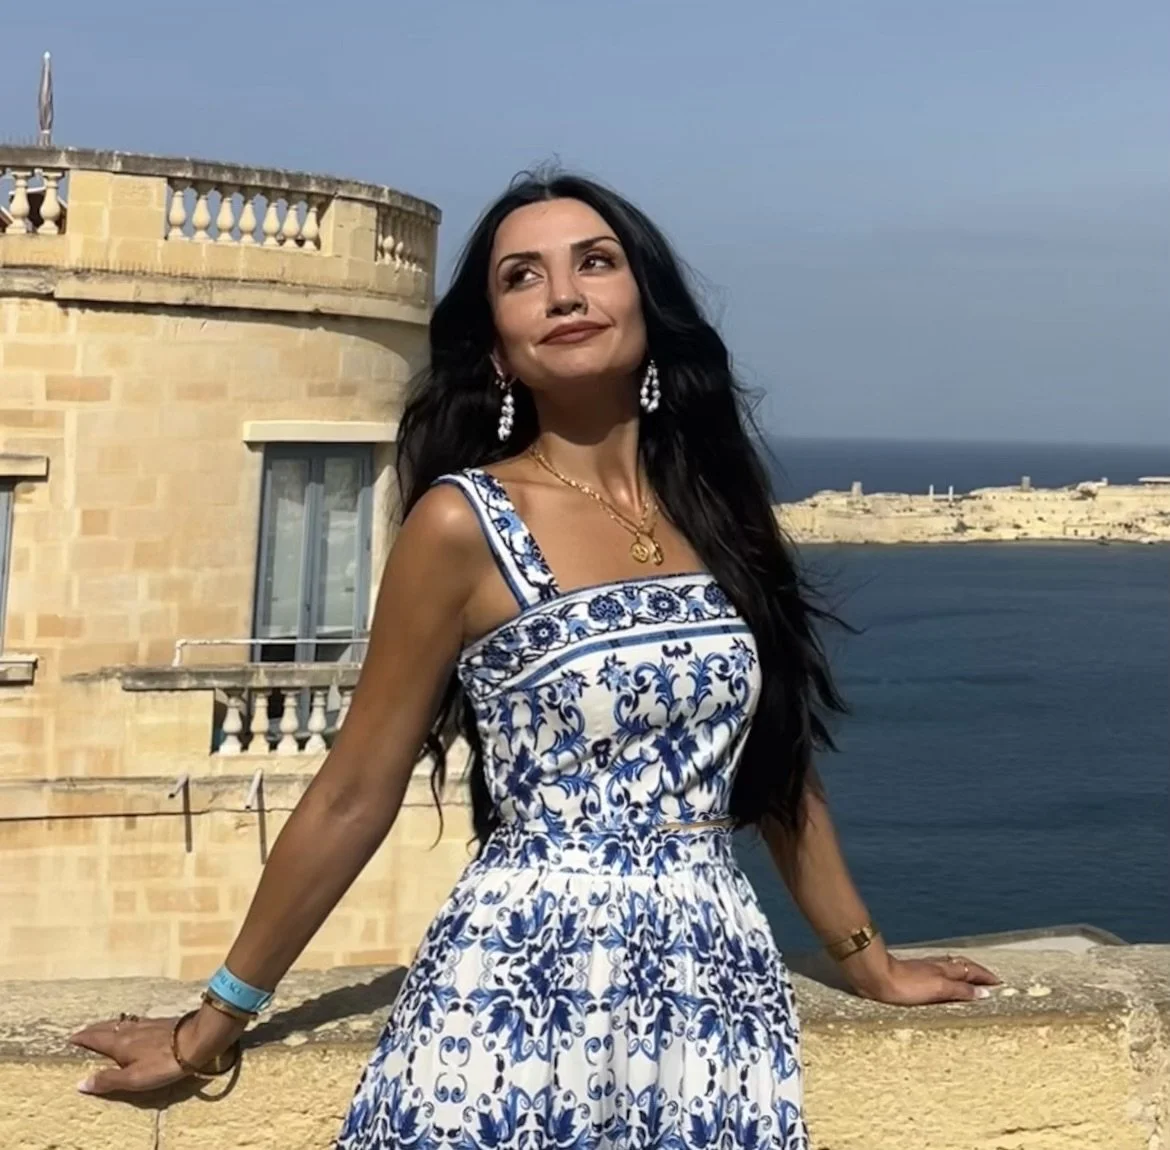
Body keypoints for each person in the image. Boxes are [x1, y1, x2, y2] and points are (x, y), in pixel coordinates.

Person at [71, 172, 998, 1148]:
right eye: (524, 276)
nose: (563, 292)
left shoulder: (720, 516)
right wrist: (215, 1020)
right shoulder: (459, 522)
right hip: (512, 994)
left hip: (709, 995)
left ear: (648, 303)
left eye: (593, 262)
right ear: (499, 344)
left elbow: (775, 767)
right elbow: (355, 788)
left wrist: (870, 962)